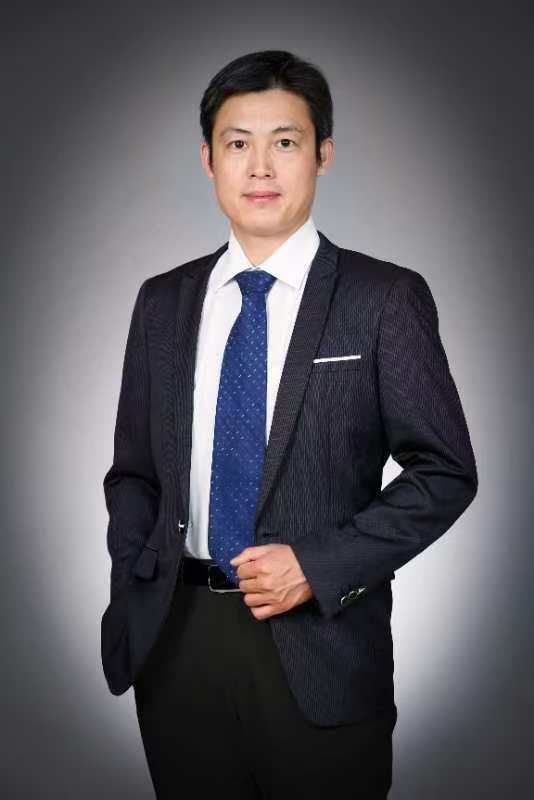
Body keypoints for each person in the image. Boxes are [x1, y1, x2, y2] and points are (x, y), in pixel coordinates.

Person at [100, 49, 478, 799]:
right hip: (176, 647)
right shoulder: (162, 302)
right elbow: (134, 473)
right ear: (208, 159)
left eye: (285, 141)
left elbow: (445, 472)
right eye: (238, 143)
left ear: (323, 155)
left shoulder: (383, 298)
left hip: (322, 647)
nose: (260, 167)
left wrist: (319, 563)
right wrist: (136, 579)